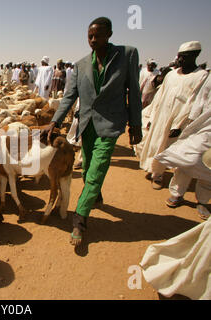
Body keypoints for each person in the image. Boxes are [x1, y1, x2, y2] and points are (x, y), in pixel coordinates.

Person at [42, 17, 142, 246]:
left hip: (110, 124)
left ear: (109, 34)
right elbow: (69, 96)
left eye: (98, 35)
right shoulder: (80, 65)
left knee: (96, 171)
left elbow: (133, 91)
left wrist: (135, 123)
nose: (93, 40)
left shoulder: (126, 55)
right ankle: (94, 194)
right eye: (90, 36)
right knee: (87, 168)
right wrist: (55, 122)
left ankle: (79, 219)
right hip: (87, 125)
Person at [137, 41, 208, 189]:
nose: (180, 59)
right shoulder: (171, 75)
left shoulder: (201, 76)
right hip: (161, 115)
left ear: (194, 56)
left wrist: (179, 124)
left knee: (167, 146)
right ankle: (152, 168)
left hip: (178, 118)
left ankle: (158, 175)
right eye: (179, 56)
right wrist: (151, 116)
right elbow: (159, 96)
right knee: (155, 142)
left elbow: (193, 102)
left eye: (184, 56)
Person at [154, 73, 210, 220]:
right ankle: (177, 193)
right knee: (188, 159)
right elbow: (198, 100)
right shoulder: (208, 78)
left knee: (209, 167)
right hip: (202, 125)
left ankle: (203, 201)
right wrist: (189, 122)